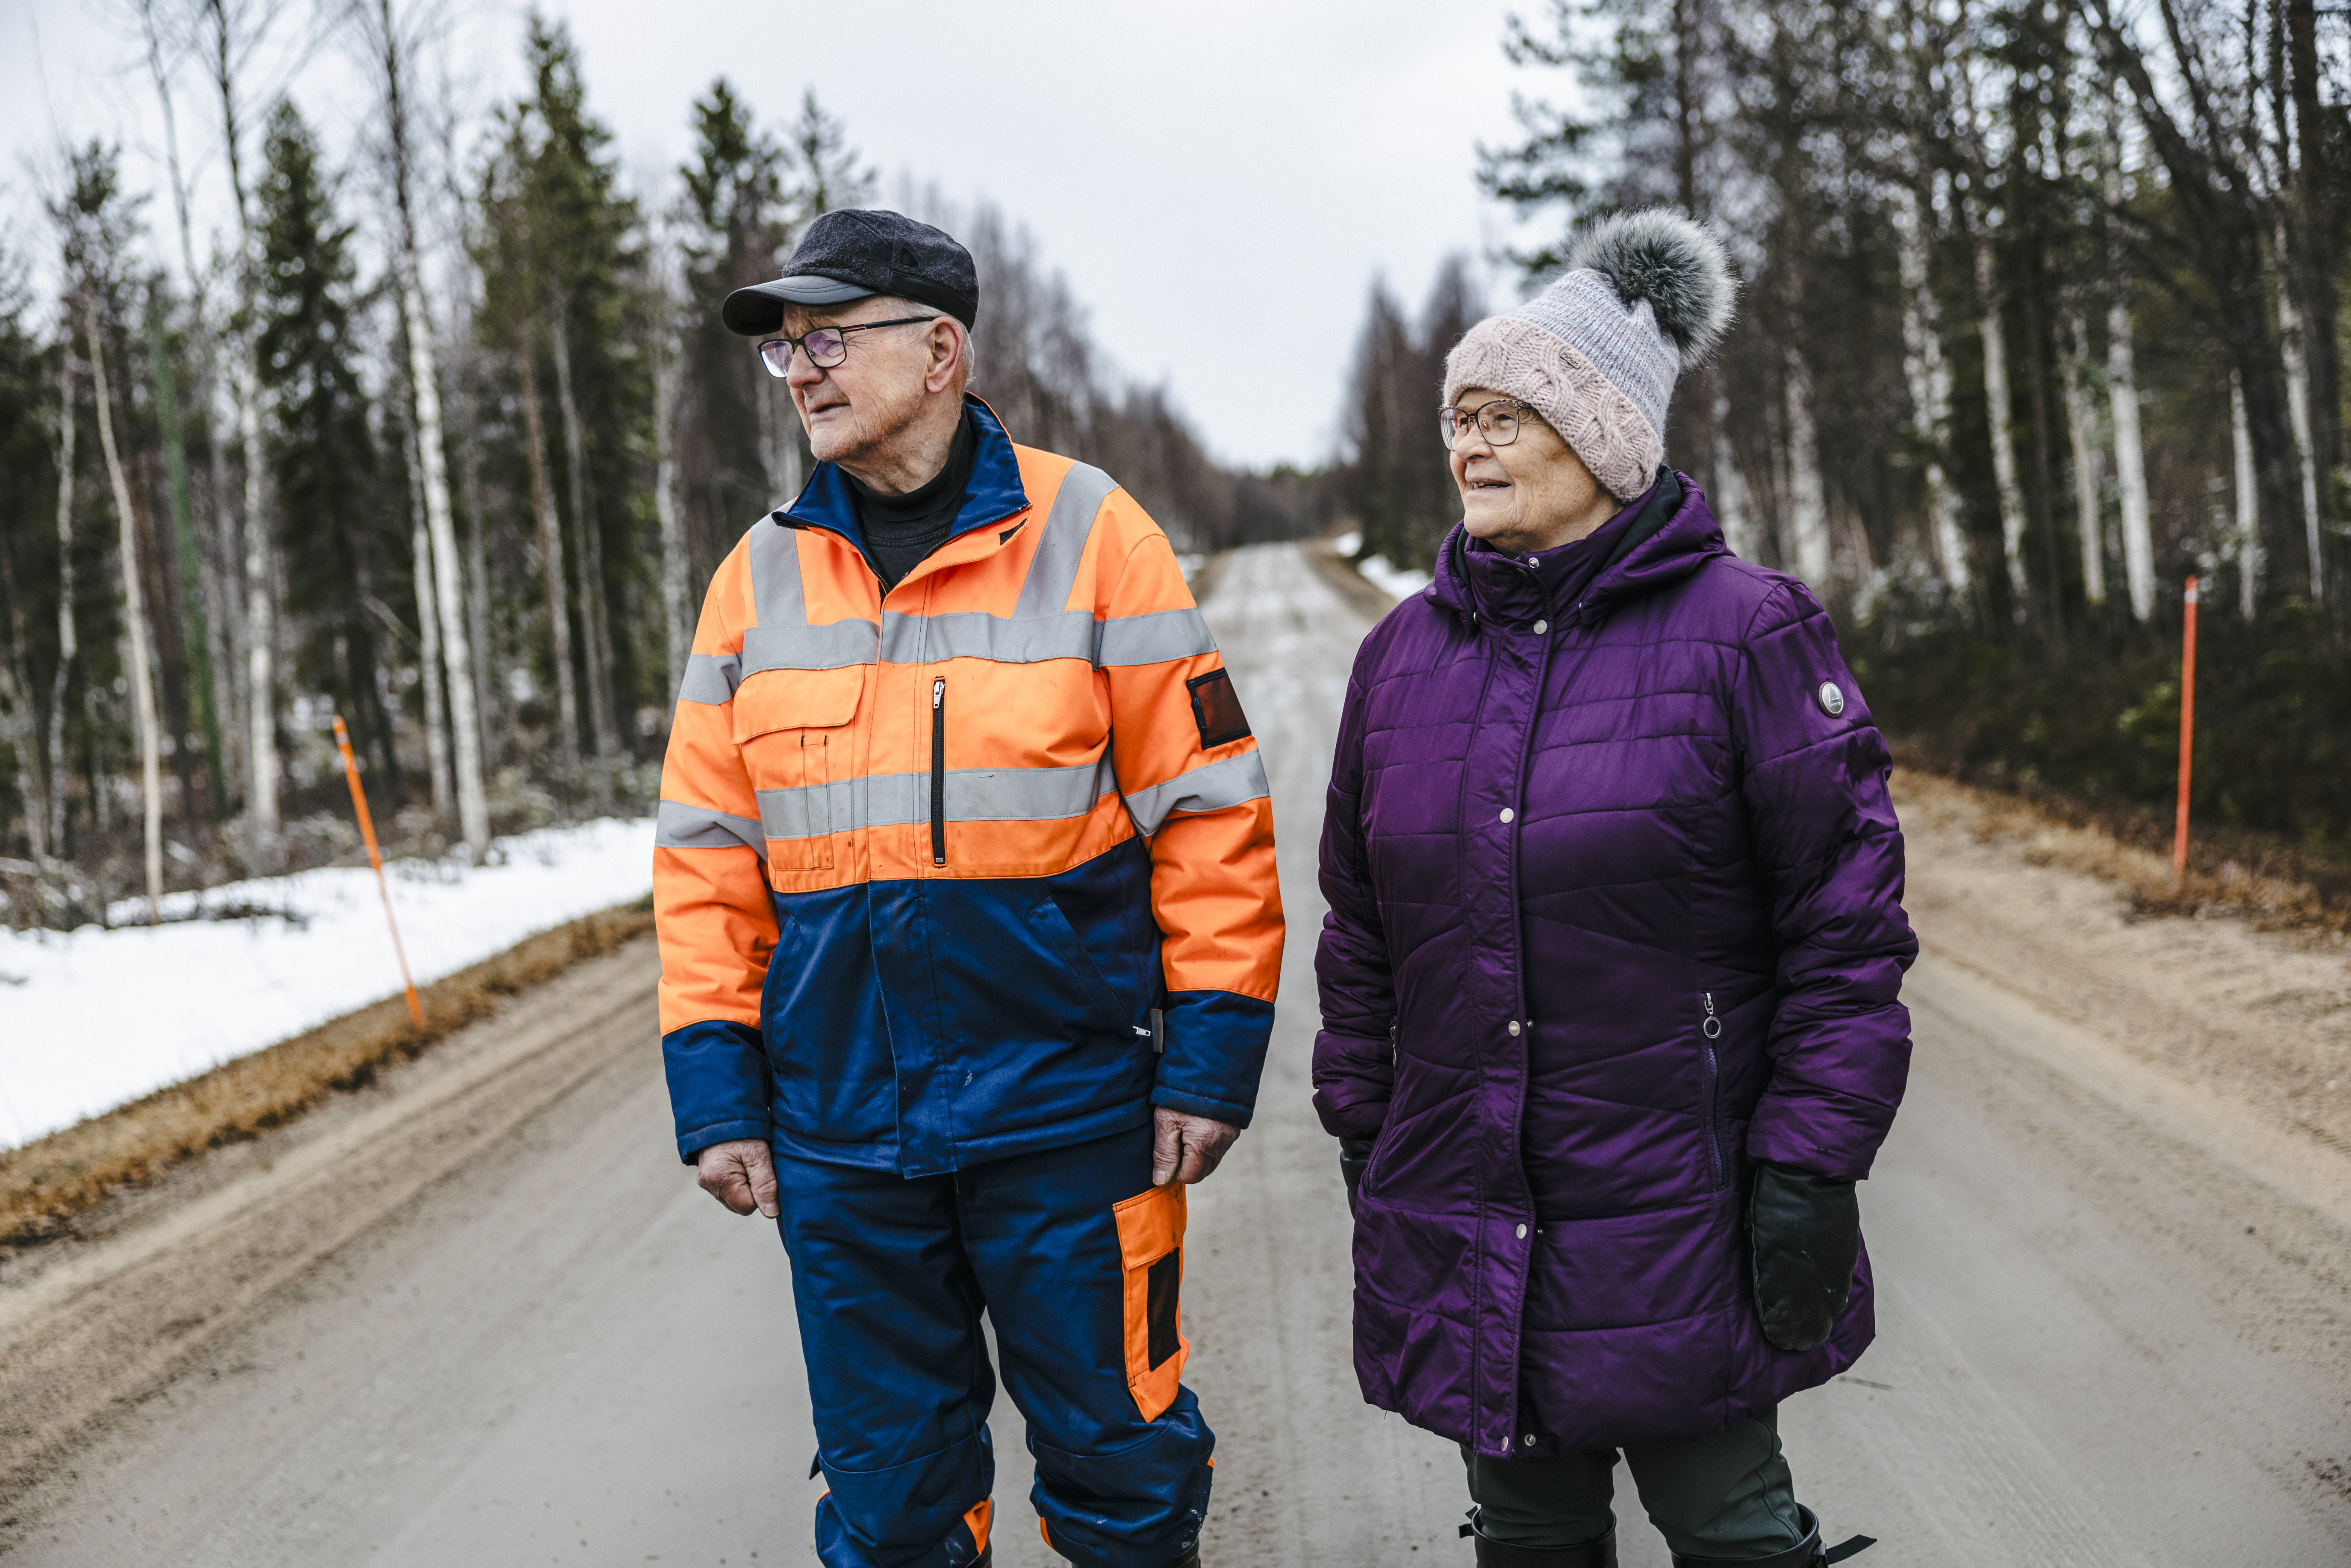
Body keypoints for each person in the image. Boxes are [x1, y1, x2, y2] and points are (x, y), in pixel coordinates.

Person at [654, 209, 1283, 1568]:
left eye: (830, 336)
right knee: (888, 1503)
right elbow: (706, 860)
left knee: (1122, 1461)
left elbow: (1210, 812)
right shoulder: (754, 580)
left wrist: (1212, 1059)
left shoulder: (1092, 531)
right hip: (840, 1138)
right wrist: (716, 1089)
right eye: (786, 350)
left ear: (939, 350)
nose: (803, 369)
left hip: (1069, 1115)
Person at [1313, 209, 1912, 1568]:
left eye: (1506, 414)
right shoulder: (1401, 656)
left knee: (1731, 1528)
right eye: (1457, 413)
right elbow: (1363, 927)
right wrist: (1361, 1120)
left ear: (1604, 437)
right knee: (1526, 1537)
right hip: (1470, 1197)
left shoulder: (1747, 630)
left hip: (1677, 1207)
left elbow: (1845, 933)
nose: (1467, 442)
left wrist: (1810, 1163)